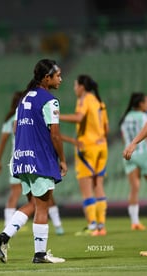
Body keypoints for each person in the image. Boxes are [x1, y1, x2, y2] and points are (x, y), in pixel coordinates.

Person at [0, 59, 67, 264]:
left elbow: (17, 129)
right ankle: (40, 254)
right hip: (40, 159)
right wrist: (62, 159)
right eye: (57, 75)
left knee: (34, 204)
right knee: (42, 206)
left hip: (21, 159)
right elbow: (55, 135)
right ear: (46, 78)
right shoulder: (50, 101)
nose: (61, 79)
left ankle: (3, 237)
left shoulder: (23, 99)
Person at [0, 91, 64, 235]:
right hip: (36, 158)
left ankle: (8, 227)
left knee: (20, 195)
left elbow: (6, 138)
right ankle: (56, 226)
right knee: (43, 198)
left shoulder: (12, 119)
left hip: (18, 159)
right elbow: (53, 133)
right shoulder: (35, 112)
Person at [59, 74, 109, 236]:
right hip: (102, 146)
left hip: (87, 147)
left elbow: (79, 117)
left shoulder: (84, 99)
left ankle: (92, 226)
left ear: (81, 87)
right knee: (98, 186)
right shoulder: (99, 101)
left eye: (75, 85)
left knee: (87, 189)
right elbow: (106, 129)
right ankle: (101, 226)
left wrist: (57, 116)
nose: (74, 89)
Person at [120, 92, 147, 230]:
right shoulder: (144, 117)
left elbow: (125, 139)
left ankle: (134, 221)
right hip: (144, 153)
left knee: (134, 188)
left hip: (129, 154)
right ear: (141, 103)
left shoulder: (125, 118)